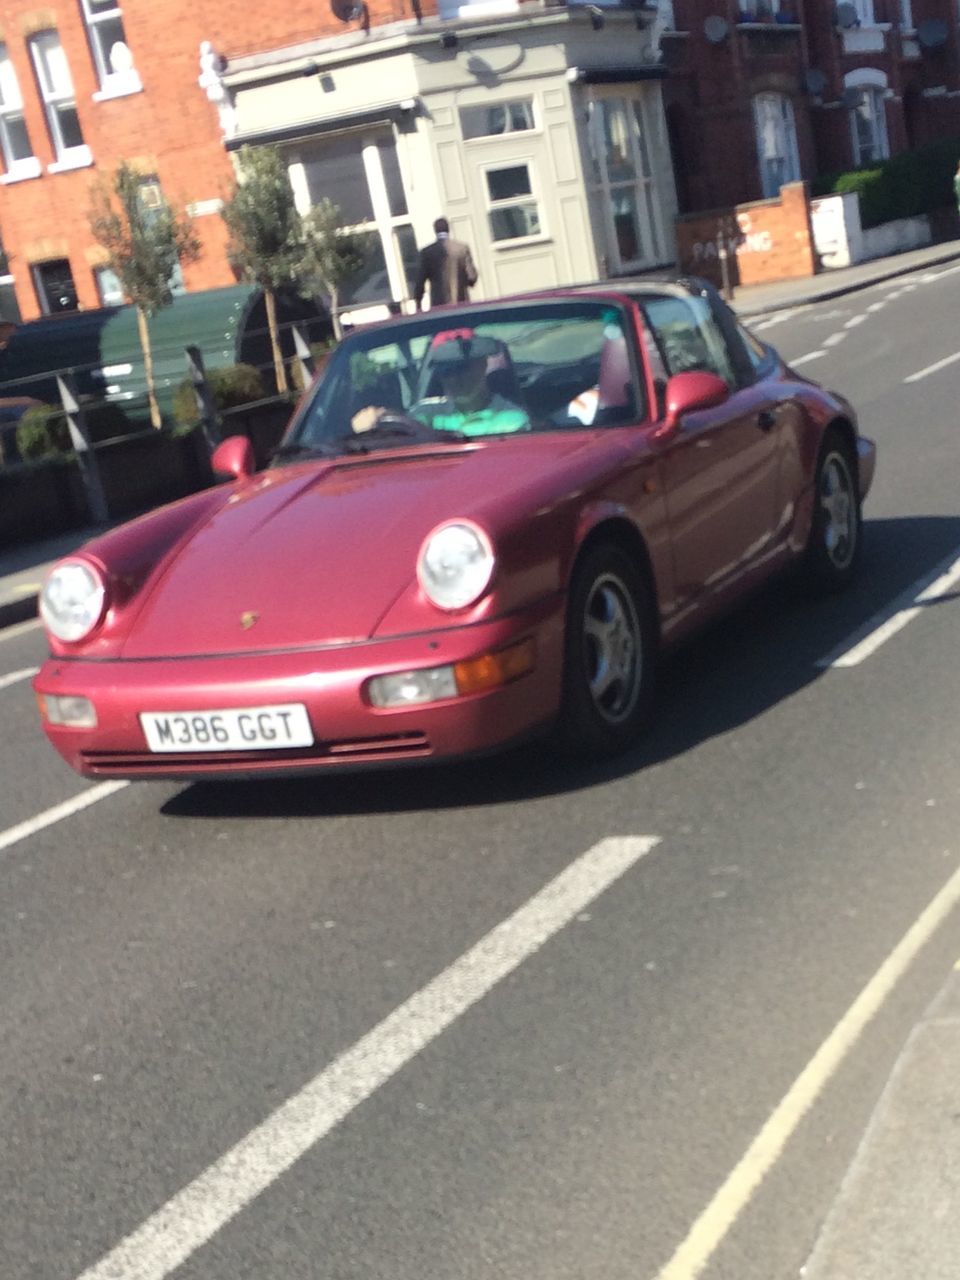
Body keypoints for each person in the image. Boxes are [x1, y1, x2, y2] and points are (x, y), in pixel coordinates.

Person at [351, 329, 530, 437]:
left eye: (461, 367)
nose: (453, 378)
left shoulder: (511, 420)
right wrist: (377, 420)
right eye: (445, 370)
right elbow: (403, 431)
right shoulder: (424, 413)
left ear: (481, 364)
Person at [414, 217, 478, 310]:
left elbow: (420, 280)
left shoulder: (427, 252)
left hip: (439, 304)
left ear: (435, 230)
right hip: (461, 301)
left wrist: (418, 301)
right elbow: (472, 277)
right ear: (449, 229)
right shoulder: (462, 248)